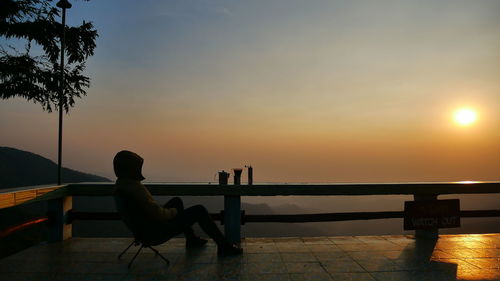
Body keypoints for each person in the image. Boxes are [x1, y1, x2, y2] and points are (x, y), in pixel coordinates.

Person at [113, 150, 243, 256]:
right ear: (129, 168)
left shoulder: (122, 185)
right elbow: (158, 214)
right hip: (156, 231)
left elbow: (149, 211)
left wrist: (172, 210)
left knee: (176, 201)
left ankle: (191, 239)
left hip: (145, 229)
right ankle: (223, 246)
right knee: (199, 210)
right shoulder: (134, 188)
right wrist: (174, 212)